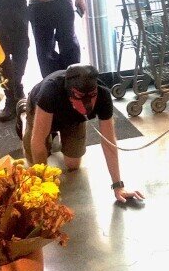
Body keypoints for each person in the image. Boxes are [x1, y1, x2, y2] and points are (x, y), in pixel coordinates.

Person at [20, 64, 145, 204]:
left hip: (74, 118)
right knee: (35, 162)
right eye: (80, 96)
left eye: (92, 95)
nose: (88, 103)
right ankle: (24, 114)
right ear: (69, 92)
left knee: (73, 165)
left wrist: (118, 186)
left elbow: (109, 141)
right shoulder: (50, 91)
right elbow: (37, 141)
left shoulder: (103, 94)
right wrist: (43, 186)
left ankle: (58, 137)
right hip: (41, 111)